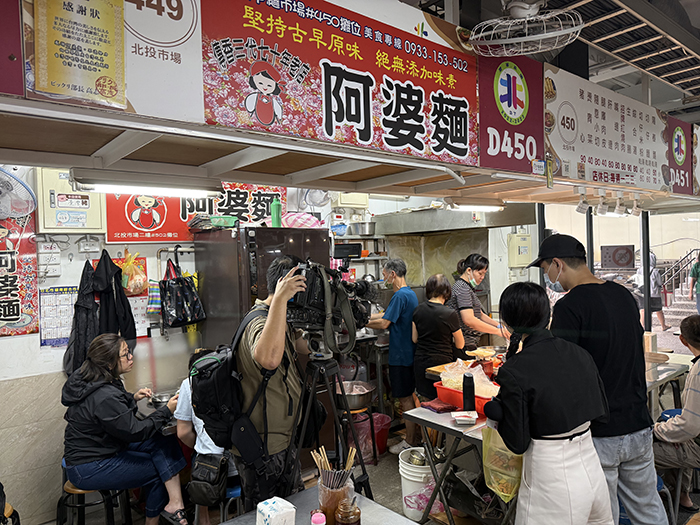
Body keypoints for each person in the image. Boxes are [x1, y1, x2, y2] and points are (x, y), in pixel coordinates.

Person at [528, 234, 668, 525]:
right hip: (638, 422)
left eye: (546, 270)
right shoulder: (623, 295)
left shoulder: (569, 307)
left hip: (600, 432)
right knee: (648, 509)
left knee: (604, 517)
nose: (548, 278)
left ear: (557, 264)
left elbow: (564, 371)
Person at [484, 282, 612, 525]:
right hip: (592, 467)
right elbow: (602, 413)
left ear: (508, 323)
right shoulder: (579, 353)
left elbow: (517, 443)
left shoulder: (515, 369)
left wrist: (497, 414)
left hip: (553, 478)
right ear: (547, 314)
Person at [62, 334, 188, 525]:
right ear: (110, 363)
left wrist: (132, 397)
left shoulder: (93, 377)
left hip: (104, 447)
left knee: (162, 440)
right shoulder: (104, 395)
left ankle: (175, 504)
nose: (131, 357)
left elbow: (109, 410)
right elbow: (135, 431)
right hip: (88, 466)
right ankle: (153, 521)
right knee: (159, 469)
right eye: (125, 354)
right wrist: (166, 410)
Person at [233, 255, 306, 511]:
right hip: (263, 448)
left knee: (293, 508)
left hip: (282, 441)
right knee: (267, 514)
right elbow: (269, 359)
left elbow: (302, 347)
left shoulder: (279, 317)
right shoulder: (259, 320)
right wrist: (281, 300)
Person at [175, 348, 238, 525]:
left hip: (211, 474)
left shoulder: (189, 383)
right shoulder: (234, 379)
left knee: (199, 456)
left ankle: (203, 520)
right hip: (241, 468)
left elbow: (183, 432)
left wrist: (203, 443)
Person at [366, 258, 419, 454]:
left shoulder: (399, 296)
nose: (384, 279)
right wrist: (365, 317)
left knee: (405, 400)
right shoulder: (409, 293)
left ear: (393, 274)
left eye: (384, 274)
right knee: (408, 397)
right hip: (408, 354)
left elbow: (384, 323)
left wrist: (360, 323)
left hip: (401, 356)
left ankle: (410, 441)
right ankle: (413, 438)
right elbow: (386, 315)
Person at [653, 314, 700, 514]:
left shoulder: (698, 372)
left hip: (697, 444)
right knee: (674, 435)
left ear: (682, 340)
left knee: (638, 452)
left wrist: (656, 431)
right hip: (694, 435)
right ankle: (682, 496)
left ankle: (646, 508)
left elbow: (690, 426)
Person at [446, 254, 509, 360]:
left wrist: (498, 326)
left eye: (484, 273)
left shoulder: (467, 287)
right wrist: (497, 331)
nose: (482, 277)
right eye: (480, 273)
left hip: (469, 343)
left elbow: (480, 314)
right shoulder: (462, 288)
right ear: (469, 270)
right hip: (464, 344)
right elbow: (469, 320)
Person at [412, 274, 464, 399]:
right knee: (442, 402)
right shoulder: (449, 314)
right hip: (441, 365)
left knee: (426, 401)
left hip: (421, 363)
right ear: (447, 291)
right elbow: (460, 344)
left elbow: (414, 339)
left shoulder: (418, 310)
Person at [636, 252, 670, 331]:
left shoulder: (639, 270)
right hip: (654, 293)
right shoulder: (655, 271)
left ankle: (642, 327)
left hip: (642, 293)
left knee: (643, 310)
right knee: (658, 310)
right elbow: (659, 283)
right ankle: (663, 326)